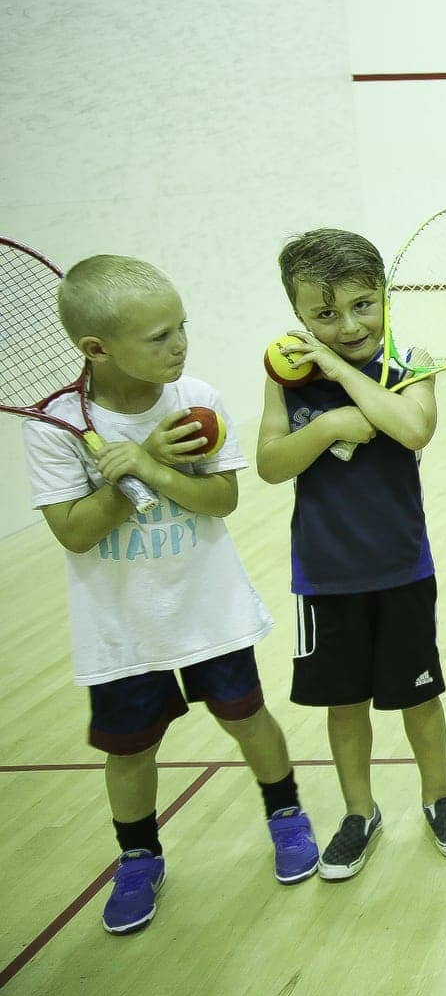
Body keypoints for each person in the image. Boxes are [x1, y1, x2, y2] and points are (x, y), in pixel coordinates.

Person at [22, 255, 318, 934]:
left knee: (248, 719)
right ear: (97, 348)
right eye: (159, 336)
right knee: (129, 751)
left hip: (208, 609)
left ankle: (286, 812)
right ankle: (138, 857)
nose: (179, 344)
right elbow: (73, 532)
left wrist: (150, 464)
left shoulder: (198, 399)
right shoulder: (53, 427)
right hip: (122, 627)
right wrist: (126, 480)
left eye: (181, 326)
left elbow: (222, 499)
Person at [257, 228, 446, 880]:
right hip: (324, 574)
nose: (348, 324)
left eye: (362, 304)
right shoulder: (286, 379)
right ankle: (360, 812)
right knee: (344, 702)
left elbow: (414, 428)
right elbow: (271, 464)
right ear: (299, 315)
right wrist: (325, 423)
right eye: (325, 315)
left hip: (402, 566)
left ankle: (439, 797)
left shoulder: (411, 360)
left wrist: (340, 372)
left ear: (385, 296)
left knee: (418, 696)